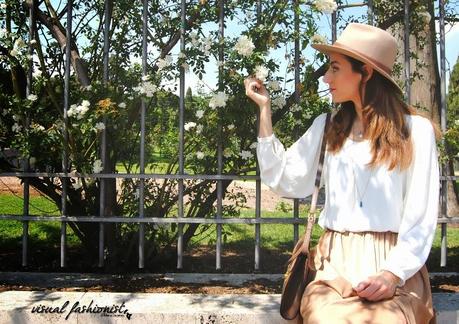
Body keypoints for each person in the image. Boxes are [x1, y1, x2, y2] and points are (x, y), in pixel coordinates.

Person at [244, 23, 439, 324]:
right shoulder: (327, 127)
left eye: (335, 68)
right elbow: (284, 176)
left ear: (367, 72)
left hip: (395, 265)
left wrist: (391, 274)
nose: (326, 77)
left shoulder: (416, 132)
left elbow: (421, 214)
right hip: (334, 265)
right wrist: (264, 112)